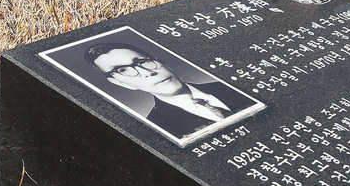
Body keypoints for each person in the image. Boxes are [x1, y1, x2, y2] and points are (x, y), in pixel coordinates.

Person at [84, 42, 257, 139]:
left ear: (162, 62)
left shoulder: (231, 85)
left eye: (142, 61)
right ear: (120, 83)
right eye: (122, 70)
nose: (147, 72)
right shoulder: (158, 130)